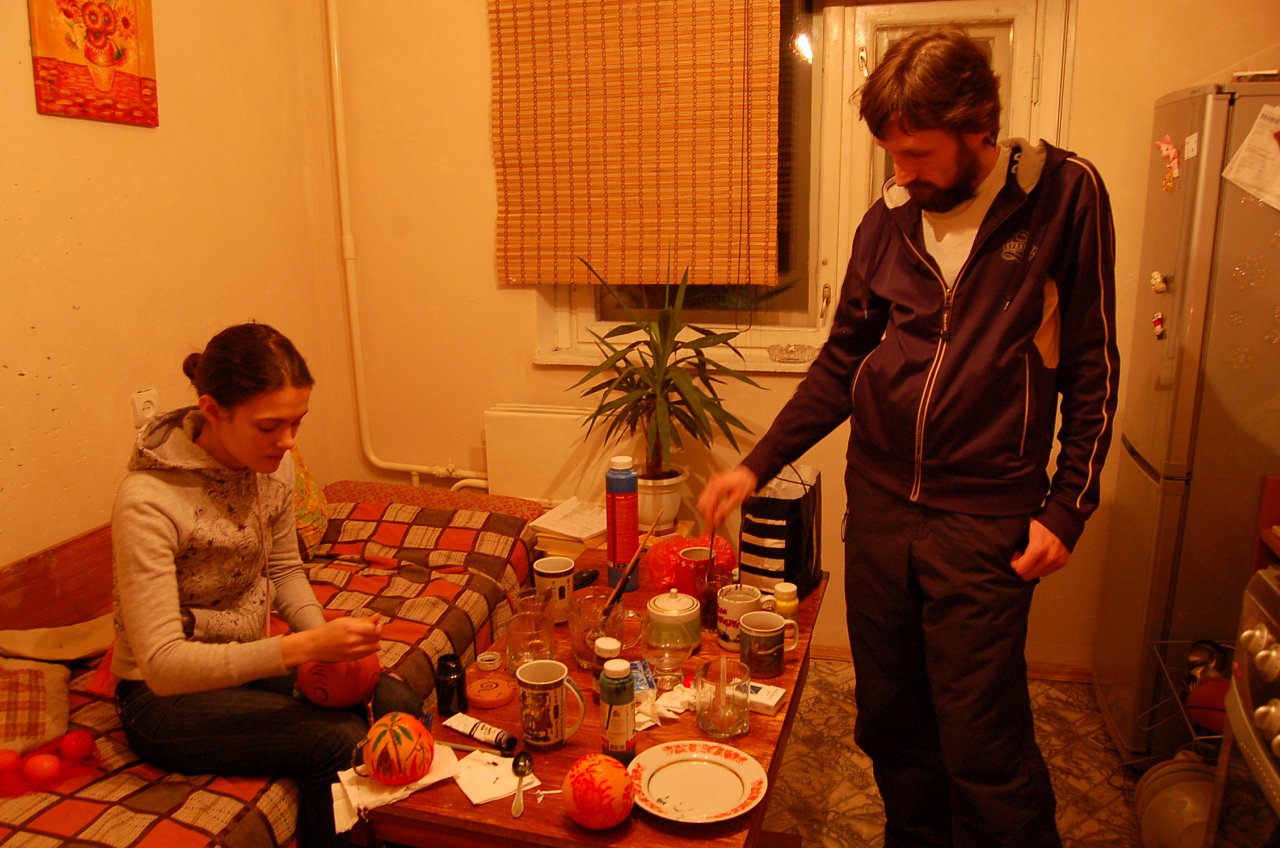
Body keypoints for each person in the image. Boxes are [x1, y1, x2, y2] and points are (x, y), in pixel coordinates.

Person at [698, 27, 1118, 848]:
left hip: (985, 518)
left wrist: (1068, 507)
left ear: (979, 127)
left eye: (919, 152)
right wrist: (758, 464)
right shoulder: (887, 220)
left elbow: (1093, 364)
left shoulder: (1064, 195)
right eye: (892, 153)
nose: (902, 172)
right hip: (882, 508)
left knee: (981, 738)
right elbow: (842, 361)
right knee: (891, 721)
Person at [111, 322, 421, 848]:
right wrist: (303, 648)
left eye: (297, 422)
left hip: (246, 663)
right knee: (337, 739)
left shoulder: (274, 469)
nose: (288, 441)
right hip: (163, 699)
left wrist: (326, 644)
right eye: (269, 426)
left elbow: (284, 570)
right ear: (213, 410)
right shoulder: (148, 502)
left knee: (394, 699)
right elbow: (162, 665)